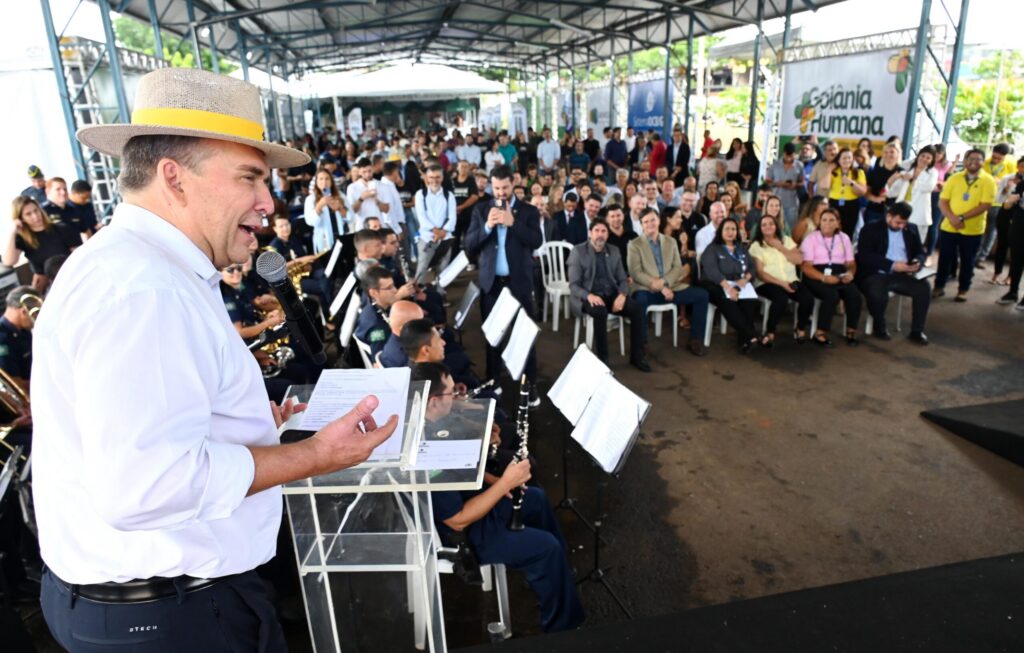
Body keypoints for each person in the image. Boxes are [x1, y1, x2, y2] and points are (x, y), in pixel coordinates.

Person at [33, 67, 399, 651]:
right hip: (171, 617)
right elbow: (144, 487)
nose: (267, 201)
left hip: (165, 603)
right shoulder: (145, 290)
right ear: (174, 178)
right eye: (250, 177)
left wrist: (249, 424)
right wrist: (314, 454)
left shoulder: (136, 266)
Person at [411, 362, 584, 633]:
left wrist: (502, 485)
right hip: (462, 536)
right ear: (433, 402)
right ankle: (562, 630)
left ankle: (555, 578)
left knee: (535, 499)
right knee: (546, 548)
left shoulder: (431, 420)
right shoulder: (426, 453)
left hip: (470, 504)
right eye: (450, 393)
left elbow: (466, 472)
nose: (456, 396)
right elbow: (457, 521)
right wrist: (506, 481)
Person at [465, 165, 542, 402]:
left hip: (518, 283)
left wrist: (513, 223)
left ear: (514, 183)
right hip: (492, 284)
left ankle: (530, 384)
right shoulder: (480, 210)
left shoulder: (528, 211)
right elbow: (469, 244)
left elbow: (536, 241)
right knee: (492, 335)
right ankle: (494, 379)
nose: (500, 193)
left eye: (505, 188)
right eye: (496, 188)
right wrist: (487, 227)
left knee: (524, 335)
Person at [567, 218, 649, 371]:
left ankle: (637, 357)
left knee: (637, 308)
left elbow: (622, 278)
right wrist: (589, 296)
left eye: (603, 231)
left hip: (611, 294)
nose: (600, 235)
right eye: (597, 231)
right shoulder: (578, 252)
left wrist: (622, 295)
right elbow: (573, 285)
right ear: (590, 233)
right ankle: (603, 360)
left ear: (607, 234)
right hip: (588, 295)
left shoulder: (613, 251)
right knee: (600, 311)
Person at [628, 208, 709, 356]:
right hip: (647, 288)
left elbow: (677, 267)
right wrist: (659, 286)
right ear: (641, 225)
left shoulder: (671, 242)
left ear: (659, 220)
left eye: (653, 220)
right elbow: (636, 272)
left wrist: (665, 283)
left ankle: (695, 340)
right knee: (639, 301)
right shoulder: (635, 245)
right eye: (646, 222)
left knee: (702, 295)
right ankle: (642, 344)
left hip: (671, 288)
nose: (650, 224)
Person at [855, 201, 930, 344]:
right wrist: (892, 265)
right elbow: (865, 256)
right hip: (876, 273)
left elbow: (921, 252)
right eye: (898, 223)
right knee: (877, 292)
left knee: (923, 288)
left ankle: (917, 331)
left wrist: (917, 261)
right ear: (888, 216)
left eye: (904, 223)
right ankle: (879, 326)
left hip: (903, 274)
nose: (901, 226)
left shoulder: (911, 229)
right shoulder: (871, 228)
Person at [933, 148, 996, 302]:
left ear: (983, 162)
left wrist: (961, 218)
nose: (974, 162)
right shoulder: (954, 178)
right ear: (965, 160)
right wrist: (952, 218)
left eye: (978, 159)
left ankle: (963, 289)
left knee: (968, 260)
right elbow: (942, 202)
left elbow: (985, 205)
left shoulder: (988, 180)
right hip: (949, 226)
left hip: (973, 230)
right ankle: (939, 286)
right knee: (944, 258)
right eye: (970, 158)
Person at [749, 213, 814, 345]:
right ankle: (770, 332)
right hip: (767, 282)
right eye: (764, 224)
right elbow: (760, 273)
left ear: (776, 226)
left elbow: (798, 260)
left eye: (771, 224)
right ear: (759, 228)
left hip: (791, 280)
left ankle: (800, 328)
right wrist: (782, 284)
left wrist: (780, 247)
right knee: (781, 299)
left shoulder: (787, 240)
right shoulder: (756, 245)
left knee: (808, 298)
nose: (768, 227)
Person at [800, 208, 862, 347]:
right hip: (815, 274)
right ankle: (820, 332)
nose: (827, 223)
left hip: (838, 271)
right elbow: (805, 267)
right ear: (819, 222)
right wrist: (823, 278)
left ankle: (851, 331)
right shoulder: (811, 239)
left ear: (838, 223)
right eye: (824, 220)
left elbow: (851, 263)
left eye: (831, 220)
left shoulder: (844, 238)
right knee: (831, 295)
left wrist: (850, 274)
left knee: (854, 294)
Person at [699, 217, 760, 353]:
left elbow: (752, 267)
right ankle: (752, 334)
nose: (730, 232)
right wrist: (728, 288)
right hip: (715, 284)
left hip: (737, 282)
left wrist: (745, 279)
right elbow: (712, 271)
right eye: (727, 229)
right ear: (720, 231)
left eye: (733, 229)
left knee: (750, 302)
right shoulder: (713, 248)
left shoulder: (741, 248)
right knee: (727, 301)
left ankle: (744, 340)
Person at [4, 196, 82, 292]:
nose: (35, 216)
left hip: (71, 278)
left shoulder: (62, 229)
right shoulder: (23, 239)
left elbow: (79, 256)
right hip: (45, 286)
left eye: (36, 210)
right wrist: (13, 232)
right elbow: (9, 261)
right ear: (21, 219)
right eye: (28, 214)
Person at [413, 164, 457, 284]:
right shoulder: (420, 194)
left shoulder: (449, 195)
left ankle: (440, 296)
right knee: (421, 269)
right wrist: (435, 231)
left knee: (443, 270)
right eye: (431, 177)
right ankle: (417, 297)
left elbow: (452, 217)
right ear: (427, 178)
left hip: (445, 238)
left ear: (442, 178)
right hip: (426, 238)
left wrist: (443, 232)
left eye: (437, 177)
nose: (434, 180)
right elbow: (421, 217)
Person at [886, 146, 937, 244]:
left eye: (928, 157)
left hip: (919, 212)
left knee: (915, 243)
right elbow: (892, 191)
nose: (924, 159)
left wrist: (913, 180)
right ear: (918, 156)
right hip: (902, 210)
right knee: (898, 242)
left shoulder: (933, 172)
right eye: (923, 156)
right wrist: (897, 177)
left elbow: (929, 187)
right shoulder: (907, 170)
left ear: (932, 161)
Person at [0, 285, 40, 391]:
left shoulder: (24, 331)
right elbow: (13, 382)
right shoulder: (3, 338)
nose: (36, 318)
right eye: (35, 314)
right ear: (23, 311)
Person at [993, 157, 1024, 289]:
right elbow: (999, 199)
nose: (1023, 169)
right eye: (1022, 166)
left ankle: (1010, 277)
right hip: (1005, 213)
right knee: (1002, 243)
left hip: (1019, 217)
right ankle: (996, 273)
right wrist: (1007, 189)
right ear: (1017, 166)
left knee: (1016, 249)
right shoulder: (1008, 178)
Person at [355, 265, 400, 356]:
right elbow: (379, 358)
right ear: (374, 293)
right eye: (389, 288)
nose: (395, 290)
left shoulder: (371, 305)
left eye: (393, 285)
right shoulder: (377, 327)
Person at [304, 167, 347, 253]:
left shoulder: (340, 195)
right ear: (316, 182)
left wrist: (340, 208)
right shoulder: (310, 199)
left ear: (331, 181)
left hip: (341, 236)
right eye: (321, 179)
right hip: (323, 240)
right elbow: (310, 222)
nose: (324, 182)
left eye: (327, 179)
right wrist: (319, 206)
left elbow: (350, 218)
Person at [827, 148, 867, 238]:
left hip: (851, 205)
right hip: (834, 203)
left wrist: (851, 183)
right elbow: (824, 186)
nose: (847, 160)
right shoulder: (834, 172)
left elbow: (862, 192)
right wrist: (829, 170)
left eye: (849, 158)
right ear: (839, 160)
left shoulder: (858, 172)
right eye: (844, 158)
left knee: (848, 232)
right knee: (832, 230)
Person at [863, 142, 904, 227]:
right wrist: (875, 198)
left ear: (898, 154)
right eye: (886, 152)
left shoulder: (902, 173)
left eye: (892, 152)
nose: (888, 154)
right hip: (874, 211)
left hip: (895, 213)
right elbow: (866, 193)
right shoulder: (875, 172)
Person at [765, 142, 804, 230]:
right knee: (774, 226)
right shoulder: (775, 165)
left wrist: (795, 184)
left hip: (792, 202)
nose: (789, 157)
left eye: (791, 155)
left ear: (795, 154)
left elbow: (802, 182)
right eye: (787, 155)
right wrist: (778, 183)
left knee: (790, 228)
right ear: (784, 153)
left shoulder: (799, 166)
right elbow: (767, 180)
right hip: (776, 201)